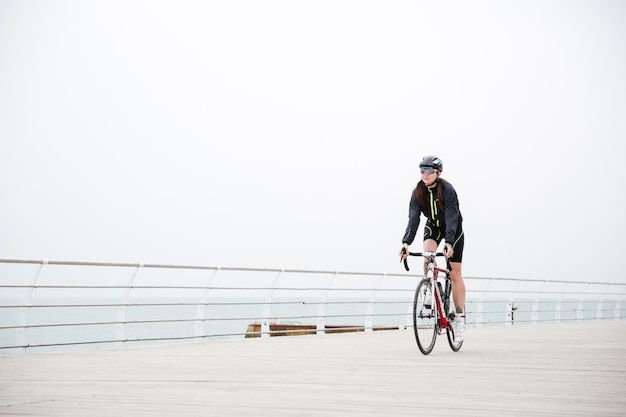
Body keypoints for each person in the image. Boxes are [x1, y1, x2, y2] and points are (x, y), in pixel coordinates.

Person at [399, 155, 466, 341]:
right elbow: (413, 219)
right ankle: (430, 287)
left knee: (455, 274)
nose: (424, 174)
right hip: (434, 226)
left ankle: (460, 318)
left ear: (438, 172)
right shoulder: (418, 192)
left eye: (428, 170)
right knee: (428, 254)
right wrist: (405, 243)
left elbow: (453, 217)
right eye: (421, 170)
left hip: (454, 230)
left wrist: (450, 243)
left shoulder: (447, 189)